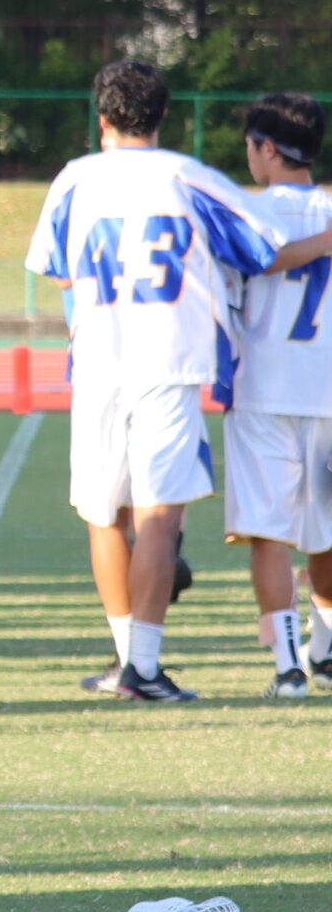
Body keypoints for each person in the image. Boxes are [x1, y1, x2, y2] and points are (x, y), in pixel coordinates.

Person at [25, 61, 332, 703]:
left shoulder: (73, 178)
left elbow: (57, 269)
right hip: (168, 362)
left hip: (98, 362)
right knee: (160, 517)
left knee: (103, 514)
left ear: (102, 118)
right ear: (163, 114)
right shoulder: (190, 178)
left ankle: (125, 658)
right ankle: (143, 665)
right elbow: (260, 251)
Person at [223, 94, 332, 697]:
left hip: (263, 387)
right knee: (327, 530)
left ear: (267, 147)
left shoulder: (243, 210)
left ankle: (289, 666)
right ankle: (326, 648)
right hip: (328, 387)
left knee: (270, 532)